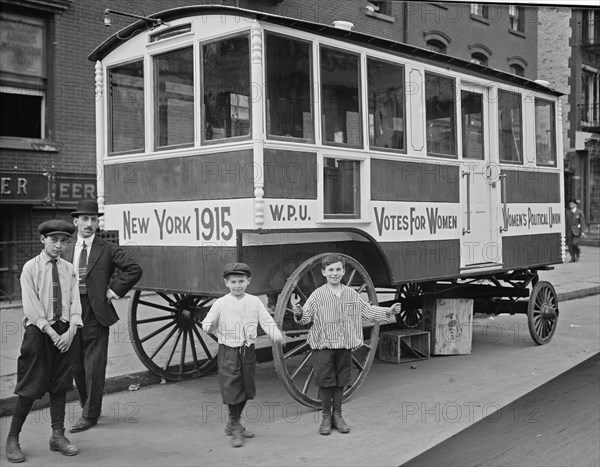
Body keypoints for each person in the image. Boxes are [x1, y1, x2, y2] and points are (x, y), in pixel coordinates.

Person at [292, 253, 401, 436]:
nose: (334, 273)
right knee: (326, 382)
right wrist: (299, 312)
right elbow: (306, 318)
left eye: (338, 270)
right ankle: (326, 418)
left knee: (341, 381)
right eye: (330, 270)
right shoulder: (317, 295)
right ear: (323, 272)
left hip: (344, 345)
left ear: (344, 271)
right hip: (323, 345)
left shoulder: (351, 294)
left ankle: (338, 416)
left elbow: (368, 311)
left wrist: (387, 311)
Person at [5, 220, 83, 463]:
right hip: (39, 332)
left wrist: (71, 331)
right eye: (54, 240)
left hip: (64, 331)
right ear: (43, 240)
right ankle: (12, 439)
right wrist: (52, 332)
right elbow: (32, 306)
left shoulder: (69, 268)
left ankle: (57, 436)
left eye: (63, 241)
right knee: (31, 386)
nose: (59, 245)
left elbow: (74, 303)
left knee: (60, 385)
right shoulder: (30, 268)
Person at [66, 199, 142, 433]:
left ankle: (89, 414)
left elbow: (134, 269)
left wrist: (112, 291)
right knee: (76, 364)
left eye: (94, 220)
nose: (89, 224)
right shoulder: (66, 247)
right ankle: (88, 405)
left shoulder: (106, 248)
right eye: (85, 219)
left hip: (95, 310)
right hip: (70, 311)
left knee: (94, 365)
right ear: (76, 221)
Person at [201, 262, 285, 448]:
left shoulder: (254, 302)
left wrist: (277, 336)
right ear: (226, 283)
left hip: (248, 351)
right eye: (233, 282)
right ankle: (236, 424)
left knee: (247, 388)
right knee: (232, 387)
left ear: (249, 281)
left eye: (241, 281)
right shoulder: (221, 303)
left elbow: (265, 319)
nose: (237, 285)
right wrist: (212, 328)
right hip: (229, 351)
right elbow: (206, 323)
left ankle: (233, 422)